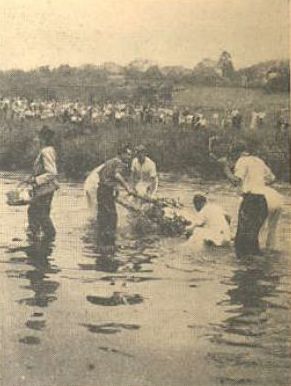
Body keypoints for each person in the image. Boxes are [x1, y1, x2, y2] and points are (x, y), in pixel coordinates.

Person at [227, 142, 275, 258]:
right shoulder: (258, 160)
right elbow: (272, 178)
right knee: (253, 238)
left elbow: (236, 181)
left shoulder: (242, 161)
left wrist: (225, 169)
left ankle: (243, 269)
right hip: (263, 201)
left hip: (250, 201)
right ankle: (257, 268)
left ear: (237, 153)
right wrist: (258, 185)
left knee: (241, 241)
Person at [97, 146, 134, 252]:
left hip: (100, 189)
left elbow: (101, 174)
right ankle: (110, 243)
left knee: (102, 215)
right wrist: (127, 188)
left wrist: (115, 187)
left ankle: (101, 240)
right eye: (128, 154)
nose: (129, 157)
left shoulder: (109, 161)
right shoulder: (119, 163)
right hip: (107, 191)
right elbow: (117, 175)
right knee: (112, 216)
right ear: (121, 154)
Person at [27, 126, 58, 241]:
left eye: (39, 137)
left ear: (43, 138)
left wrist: (36, 180)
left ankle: (48, 237)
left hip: (45, 189)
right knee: (35, 211)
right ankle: (36, 236)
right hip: (43, 188)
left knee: (40, 213)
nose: (37, 139)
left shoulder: (46, 151)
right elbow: (43, 170)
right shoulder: (47, 150)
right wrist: (31, 177)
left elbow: (52, 172)